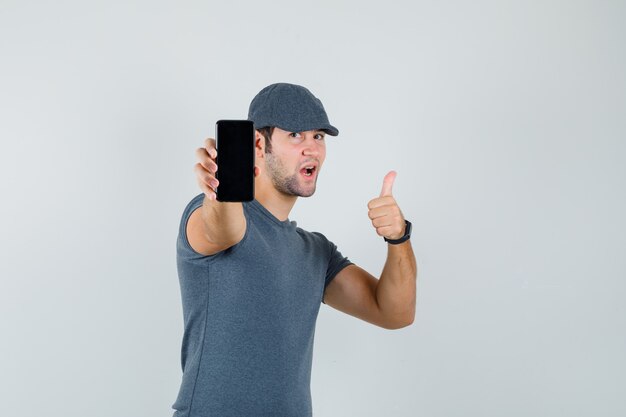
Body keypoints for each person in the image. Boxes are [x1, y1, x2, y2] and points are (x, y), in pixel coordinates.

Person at [172, 83, 417, 417]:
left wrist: (398, 238)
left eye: (318, 137)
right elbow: (225, 229)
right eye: (297, 136)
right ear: (259, 144)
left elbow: (394, 313)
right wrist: (223, 186)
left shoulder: (316, 252)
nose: (312, 149)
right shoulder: (208, 215)